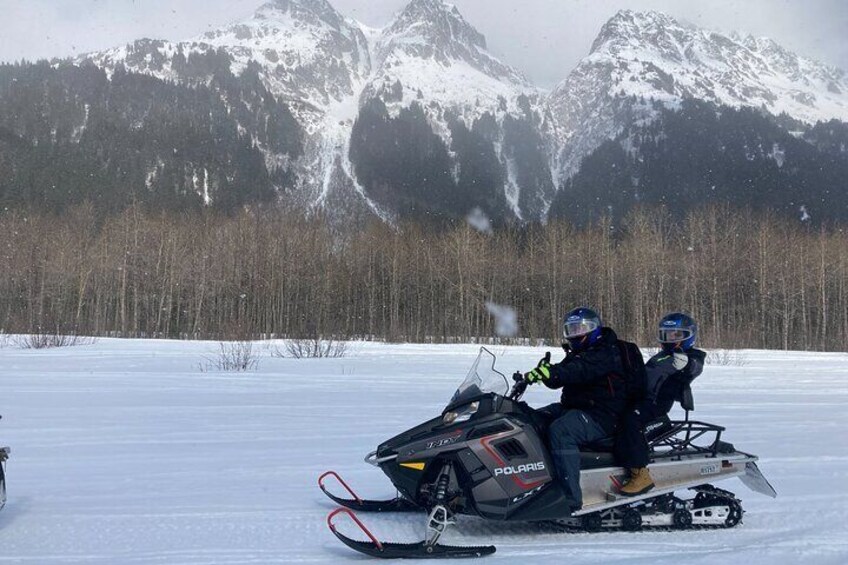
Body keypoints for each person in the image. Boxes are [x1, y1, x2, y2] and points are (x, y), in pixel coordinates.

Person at [523, 307, 628, 511]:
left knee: (561, 432)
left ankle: (569, 496)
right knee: (533, 420)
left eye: (580, 328)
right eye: (571, 329)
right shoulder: (581, 352)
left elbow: (578, 371)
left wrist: (553, 373)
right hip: (578, 407)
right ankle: (536, 483)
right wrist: (543, 374)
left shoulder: (605, 351)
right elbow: (562, 376)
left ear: (594, 329)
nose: (575, 334)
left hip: (603, 414)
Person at [615, 312, 706, 496]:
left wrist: (686, 363)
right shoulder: (661, 357)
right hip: (641, 399)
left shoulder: (692, 356)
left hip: (656, 405)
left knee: (630, 421)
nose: (671, 339)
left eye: (676, 335)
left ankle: (640, 473)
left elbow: (694, 368)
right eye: (667, 334)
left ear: (688, 335)